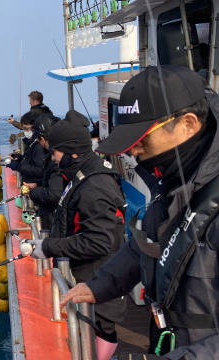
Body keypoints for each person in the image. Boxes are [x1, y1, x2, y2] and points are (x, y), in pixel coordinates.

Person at [61, 65, 219, 359]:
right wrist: (102, 285)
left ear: (188, 124)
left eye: (142, 138)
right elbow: (146, 245)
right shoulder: (174, 176)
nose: (133, 150)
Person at [20, 109, 127, 335]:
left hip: (97, 289)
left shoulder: (95, 186)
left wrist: (47, 247)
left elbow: (98, 243)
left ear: (72, 152)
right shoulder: (83, 174)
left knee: (98, 339)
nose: (53, 158)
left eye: (55, 152)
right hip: (86, 283)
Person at [24, 114, 64, 230]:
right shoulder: (59, 156)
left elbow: (54, 195)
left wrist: (33, 193)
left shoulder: (58, 161)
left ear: (42, 138)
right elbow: (57, 184)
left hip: (54, 219)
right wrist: (38, 185)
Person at [6, 112, 45, 185]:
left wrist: (18, 166)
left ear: (34, 127)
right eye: (24, 129)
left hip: (34, 185)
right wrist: (20, 158)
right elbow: (32, 159)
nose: (25, 131)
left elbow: (39, 170)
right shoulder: (32, 142)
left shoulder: (40, 146)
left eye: (27, 129)